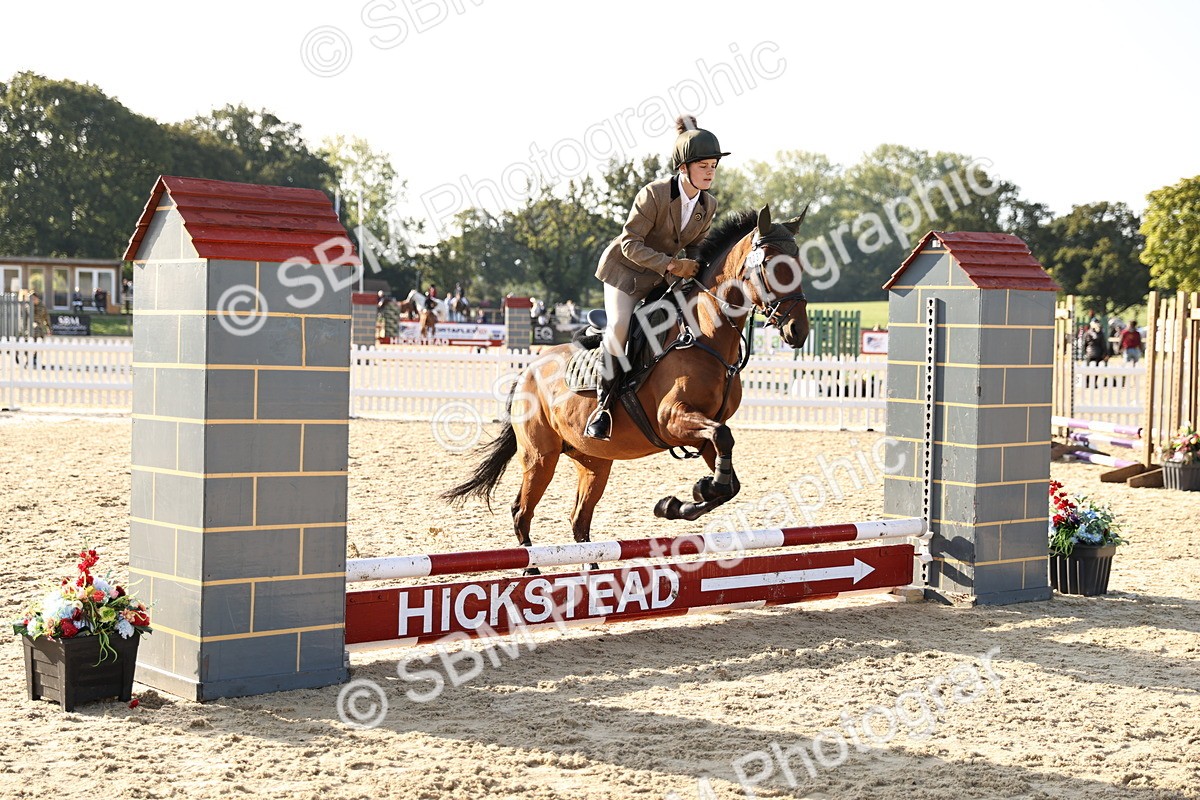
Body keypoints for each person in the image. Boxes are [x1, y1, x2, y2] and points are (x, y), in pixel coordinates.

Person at [585, 115, 726, 440]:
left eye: (713, 166)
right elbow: (629, 243)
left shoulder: (708, 204)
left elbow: (696, 246)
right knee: (620, 327)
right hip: (626, 273)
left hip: (664, 279)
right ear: (683, 168)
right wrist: (672, 265)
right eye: (703, 166)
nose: (710, 172)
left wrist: (697, 269)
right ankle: (603, 409)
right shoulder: (654, 194)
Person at [24, 292, 51, 368]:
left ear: (36, 298)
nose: (32, 300)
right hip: (29, 330)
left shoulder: (42, 306)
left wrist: (49, 328)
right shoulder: (27, 306)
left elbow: (46, 317)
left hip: (40, 330)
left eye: (33, 298)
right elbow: (24, 319)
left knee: (39, 346)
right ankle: (29, 361)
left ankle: (36, 360)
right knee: (28, 346)